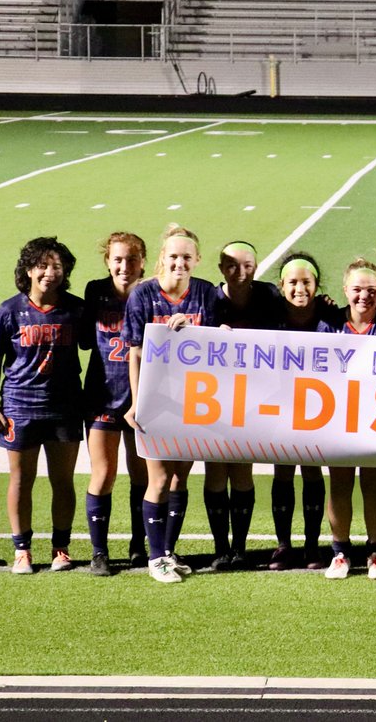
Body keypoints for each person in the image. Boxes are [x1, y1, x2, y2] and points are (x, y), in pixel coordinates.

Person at [124, 225, 223, 583]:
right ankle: (156, 559)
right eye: (173, 256)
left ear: (196, 260)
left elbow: (214, 343)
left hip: (194, 399)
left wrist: (205, 332)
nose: (179, 263)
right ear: (161, 259)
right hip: (157, 398)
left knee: (181, 477)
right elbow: (134, 353)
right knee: (160, 478)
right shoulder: (143, 296)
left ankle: (167, 551)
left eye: (186, 257)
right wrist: (137, 403)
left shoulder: (206, 292)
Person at [0, 237, 88, 575]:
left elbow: (97, 343)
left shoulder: (75, 309)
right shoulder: (9, 310)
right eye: (42, 265)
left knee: (63, 480)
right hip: (19, 406)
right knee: (21, 480)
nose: (49, 272)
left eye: (57, 266)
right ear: (28, 270)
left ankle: (61, 548)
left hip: (65, 407)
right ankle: (21, 550)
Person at [325, 259, 376, 580]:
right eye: (357, 290)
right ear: (345, 290)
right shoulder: (328, 325)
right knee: (340, 485)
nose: (363, 296)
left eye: (371, 291)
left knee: (374, 486)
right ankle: (340, 553)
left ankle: (375, 553)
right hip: (338, 418)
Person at [206, 241, 284, 571]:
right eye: (233, 265)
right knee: (214, 471)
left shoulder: (268, 295)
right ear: (222, 268)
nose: (241, 272)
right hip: (214, 396)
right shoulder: (209, 297)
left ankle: (239, 547)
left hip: (253, 397)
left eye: (248, 265)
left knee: (242, 470)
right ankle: (220, 548)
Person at [82, 232, 149, 576]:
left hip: (142, 398)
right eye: (118, 259)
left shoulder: (152, 293)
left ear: (143, 262)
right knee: (104, 472)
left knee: (142, 474)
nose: (125, 266)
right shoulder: (95, 291)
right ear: (108, 261)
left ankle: (139, 544)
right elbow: (82, 339)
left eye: (132, 259)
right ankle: (99, 551)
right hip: (103, 395)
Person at [270, 252, 334, 572]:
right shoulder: (270, 316)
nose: (299, 288)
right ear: (281, 286)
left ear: (316, 285)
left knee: (311, 470)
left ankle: (311, 544)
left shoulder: (328, 319)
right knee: (282, 470)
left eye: (306, 282)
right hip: (280, 405)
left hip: (316, 409)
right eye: (292, 282)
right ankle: (283, 545)